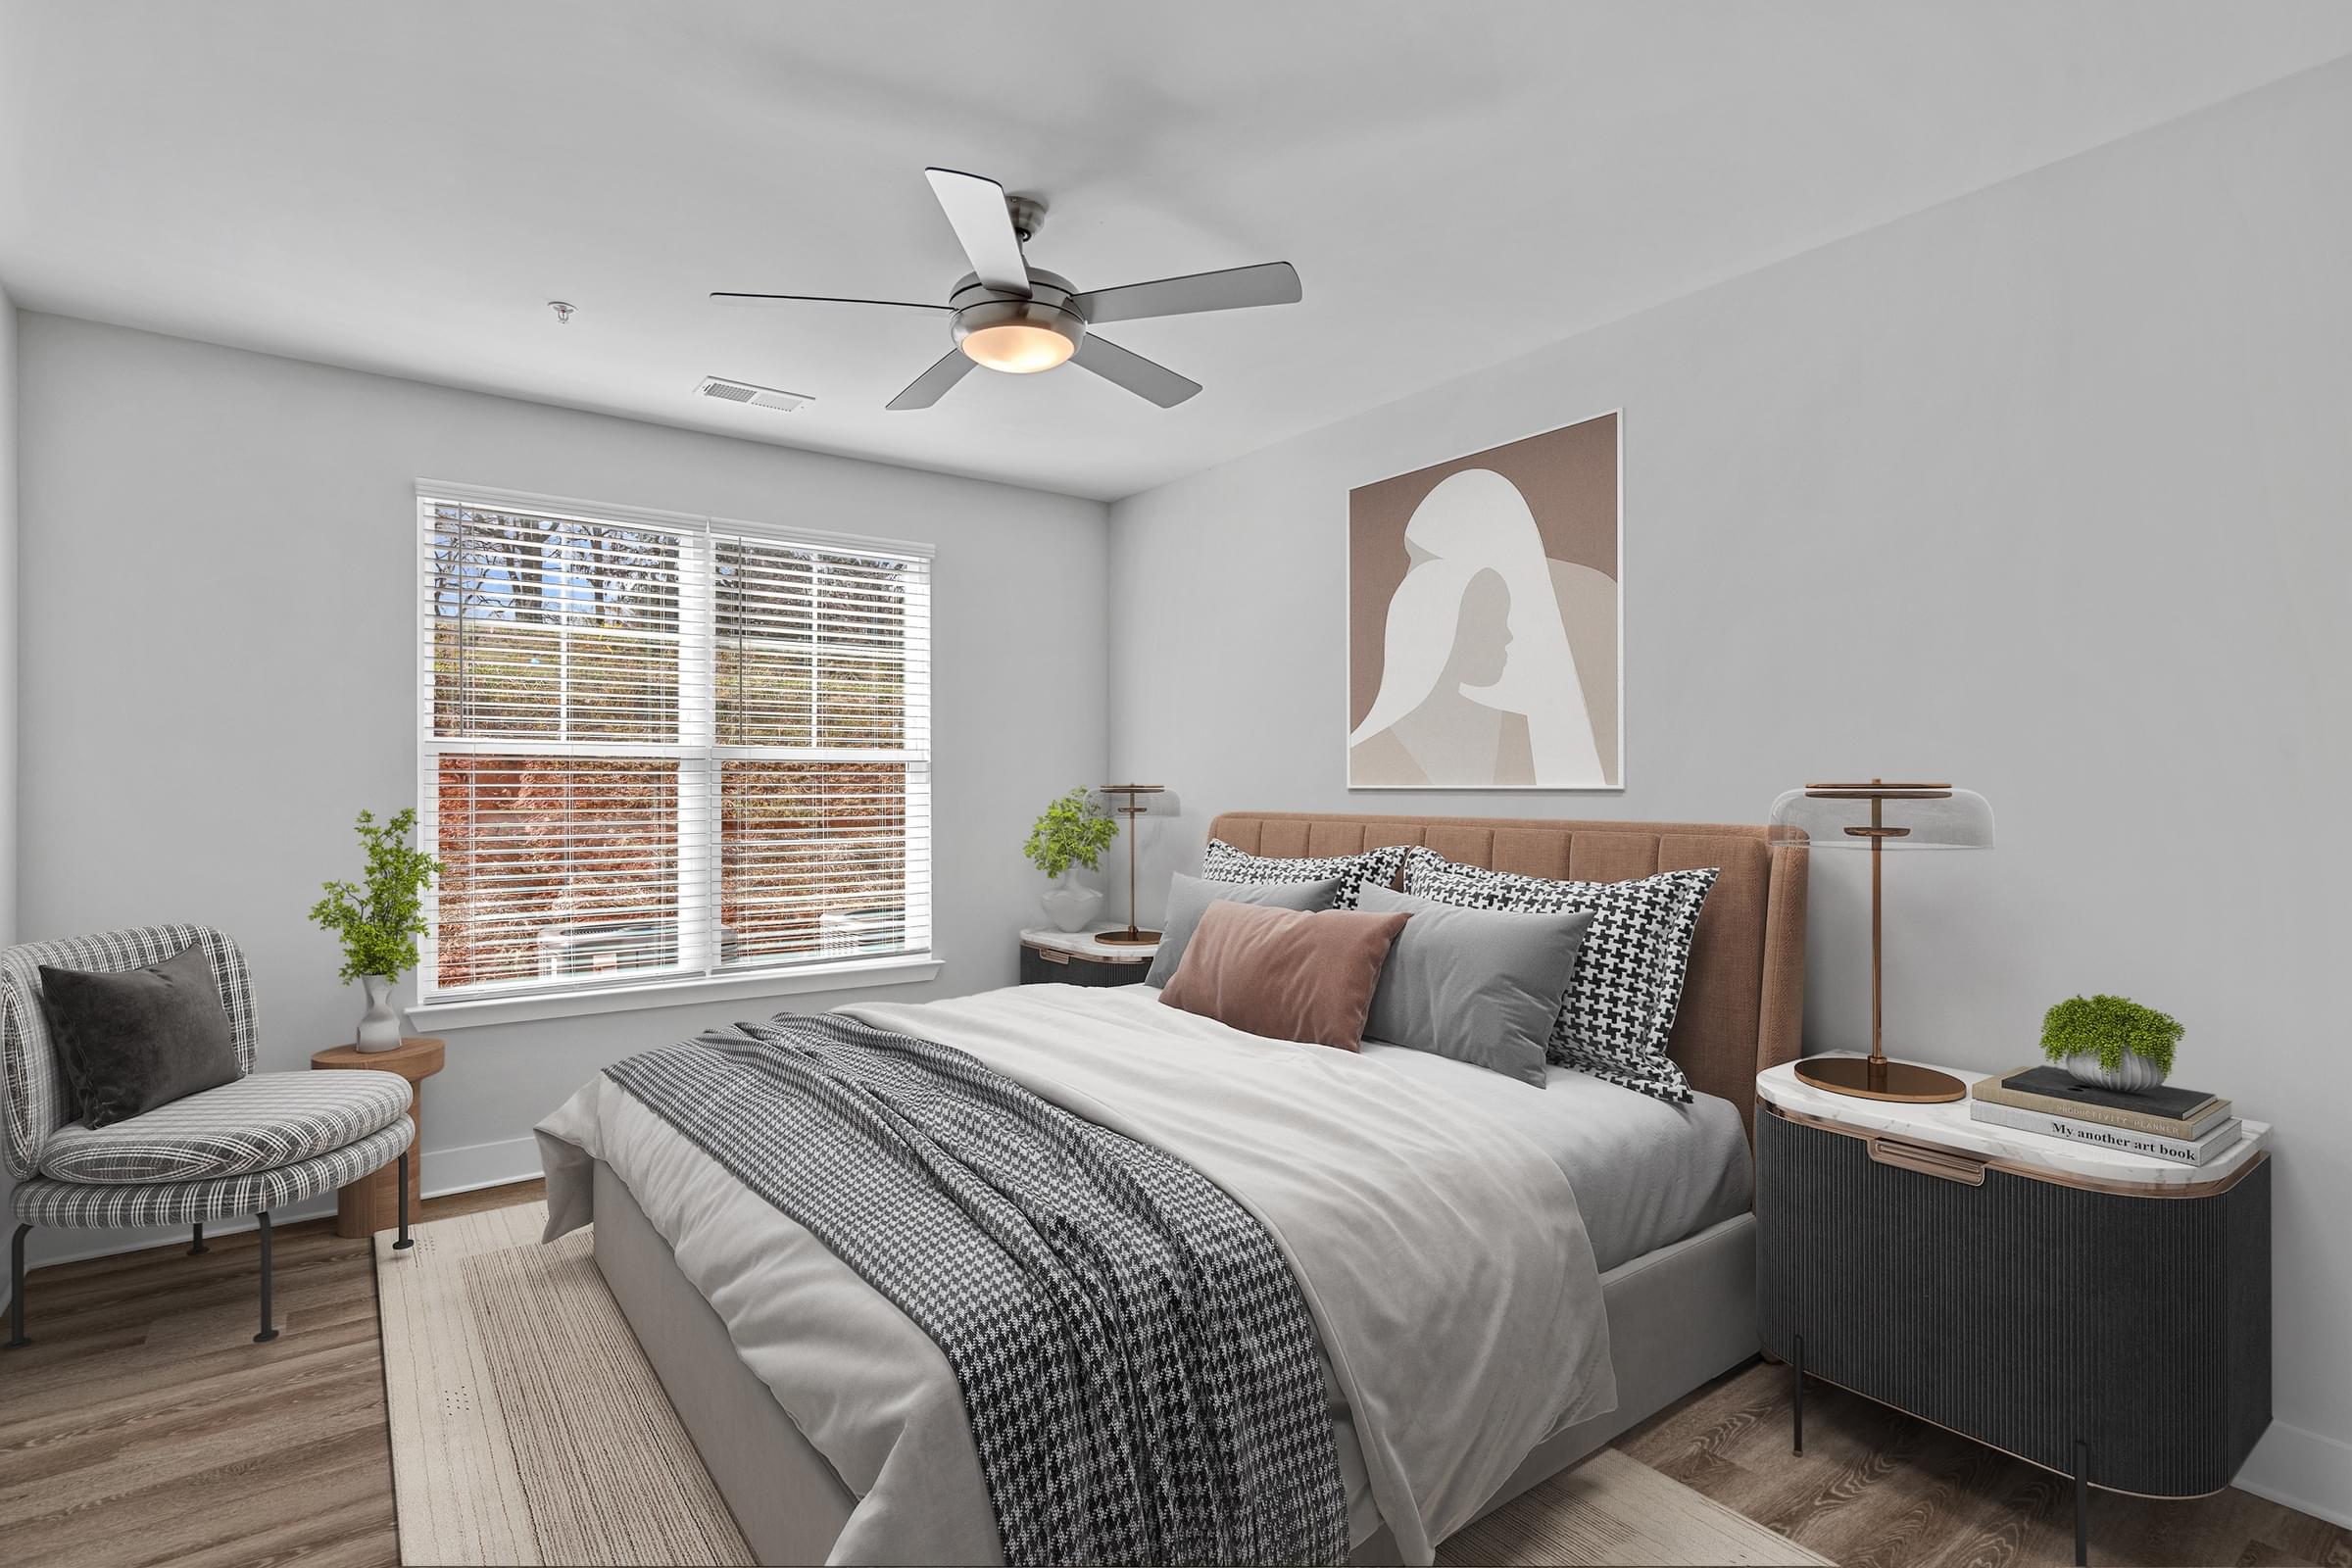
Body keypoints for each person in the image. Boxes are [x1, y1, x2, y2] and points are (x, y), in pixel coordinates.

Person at [1349, 467, 1604, 787]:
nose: (1509, 634)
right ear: (1449, 627)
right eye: (1494, 620)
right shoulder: (1370, 752)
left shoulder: (1517, 731)